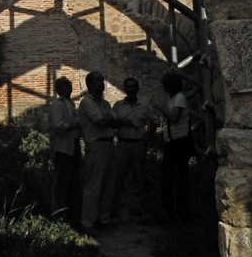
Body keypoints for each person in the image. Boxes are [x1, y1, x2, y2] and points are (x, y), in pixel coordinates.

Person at [78, 70, 120, 232]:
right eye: (98, 80)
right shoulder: (87, 102)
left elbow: (115, 122)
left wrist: (110, 121)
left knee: (109, 184)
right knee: (94, 185)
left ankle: (103, 219)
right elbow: (102, 122)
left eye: (102, 80)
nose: (101, 83)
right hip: (96, 145)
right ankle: (87, 223)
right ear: (89, 84)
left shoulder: (105, 104)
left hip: (109, 144)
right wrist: (110, 120)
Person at [112, 77, 158, 217]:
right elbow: (112, 121)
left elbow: (156, 121)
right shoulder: (118, 106)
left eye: (133, 87)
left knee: (138, 176)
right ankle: (117, 206)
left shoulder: (144, 108)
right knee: (118, 176)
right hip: (122, 144)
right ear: (125, 89)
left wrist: (147, 135)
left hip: (138, 144)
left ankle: (137, 207)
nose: (131, 89)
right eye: (128, 87)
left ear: (137, 89)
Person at [160, 69, 194, 223]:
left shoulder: (179, 98)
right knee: (170, 177)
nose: (163, 88)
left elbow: (174, 118)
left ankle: (181, 214)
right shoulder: (172, 98)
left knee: (179, 178)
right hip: (173, 141)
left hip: (179, 143)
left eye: (165, 84)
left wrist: (160, 109)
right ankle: (173, 211)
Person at [48, 75, 82, 225]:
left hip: (73, 144)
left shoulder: (71, 104)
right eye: (63, 86)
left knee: (74, 179)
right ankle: (58, 212)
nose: (67, 88)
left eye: (69, 85)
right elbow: (58, 125)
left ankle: (70, 212)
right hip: (62, 147)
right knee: (61, 180)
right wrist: (75, 124)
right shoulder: (57, 104)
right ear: (58, 90)